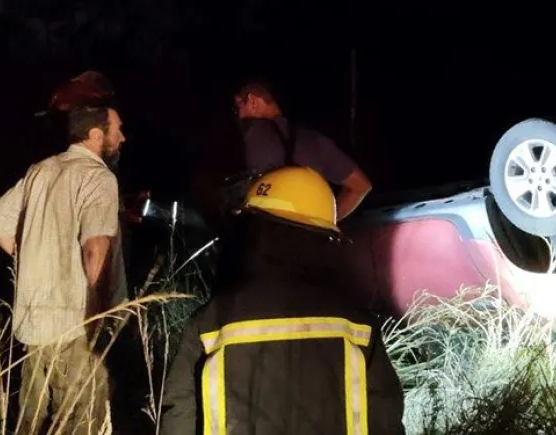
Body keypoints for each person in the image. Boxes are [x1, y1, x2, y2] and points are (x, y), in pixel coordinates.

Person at [159, 165, 406, 435]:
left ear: (255, 231)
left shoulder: (210, 322)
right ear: (324, 239)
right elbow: (385, 420)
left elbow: (179, 417)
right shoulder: (358, 326)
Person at [0, 104, 127, 434]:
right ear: (95, 135)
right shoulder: (99, 176)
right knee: (83, 416)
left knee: (30, 418)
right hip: (72, 321)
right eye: (117, 129)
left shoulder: (42, 170)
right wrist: (97, 313)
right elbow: (95, 248)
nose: (122, 137)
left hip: (33, 319)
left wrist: (32, 257)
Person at [232, 78, 372, 220]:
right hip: (309, 238)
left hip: (268, 236)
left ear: (252, 102)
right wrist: (328, 221)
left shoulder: (250, 132)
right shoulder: (315, 141)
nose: (238, 116)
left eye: (237, 109)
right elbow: (361, 186)